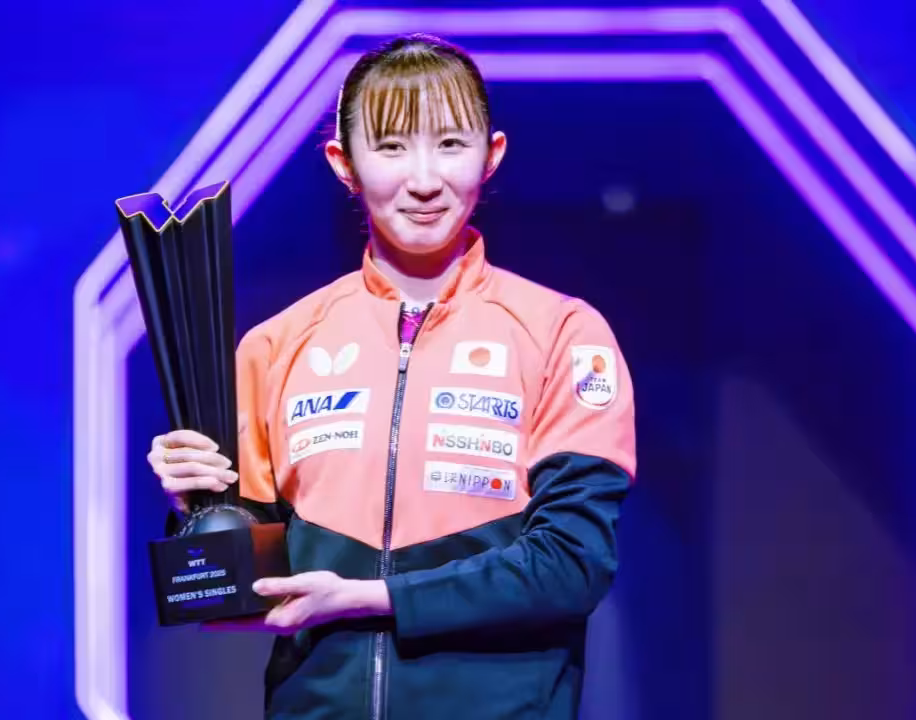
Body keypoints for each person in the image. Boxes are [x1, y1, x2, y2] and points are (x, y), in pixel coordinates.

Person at [147, 32, 636, 720]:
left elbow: (571, 564)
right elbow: (246, 589)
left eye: (450, 144)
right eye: (392, 147)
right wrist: (196, 505)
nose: (424, 178)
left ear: (491, 154)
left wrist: (373, 599)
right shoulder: (277, 345)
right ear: (343, 164)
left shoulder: (562, 334)